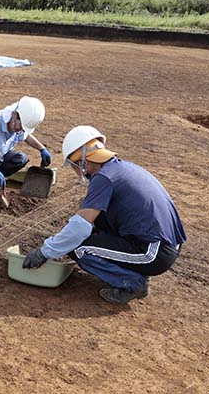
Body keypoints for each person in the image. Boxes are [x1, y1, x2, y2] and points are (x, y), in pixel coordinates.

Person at [22, 126, 186, 305]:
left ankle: (134, 283)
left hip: (154, 252)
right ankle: (133, 270)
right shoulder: (121, 168)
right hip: (165, 244)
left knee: (79, 248)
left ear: (82, 162)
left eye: (73, 165)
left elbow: (79, 228)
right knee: (98, 221)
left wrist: (45, 251)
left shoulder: (103, 178)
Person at [0, 96, 51, 191]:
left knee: (20, 159)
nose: (20, 131)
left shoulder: (18, 126)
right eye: (20, 127)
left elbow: (26, 136)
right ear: (14, 115)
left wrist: (42, 149)